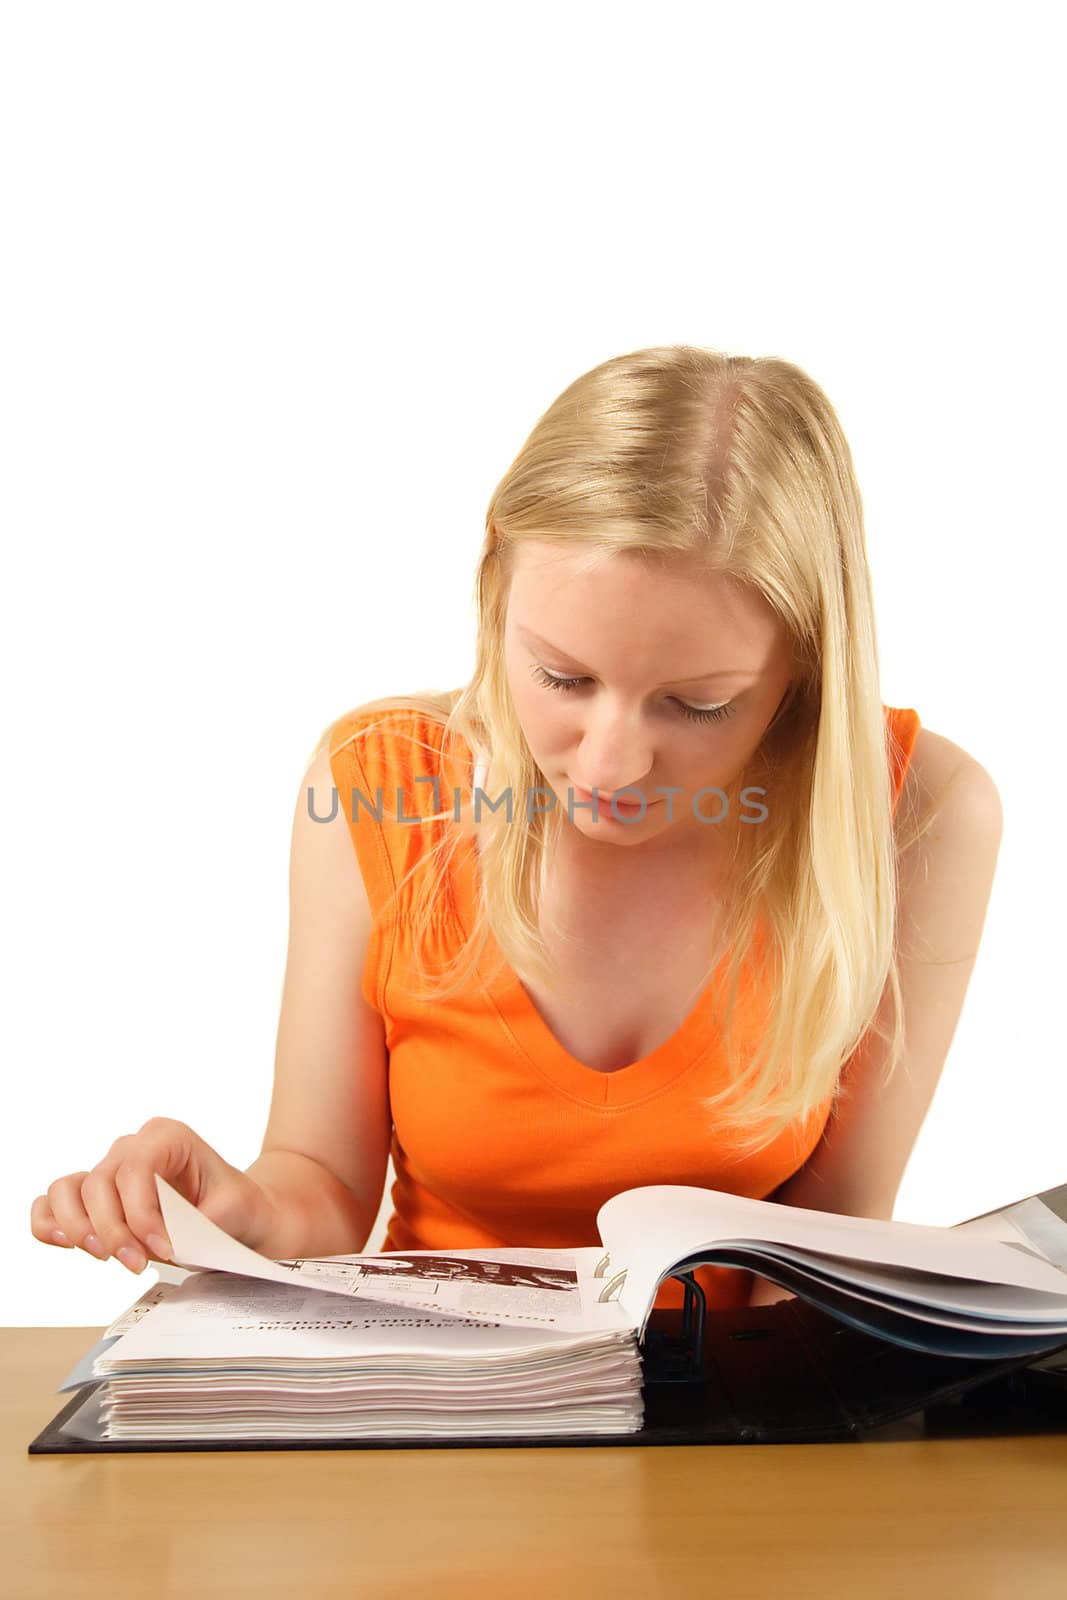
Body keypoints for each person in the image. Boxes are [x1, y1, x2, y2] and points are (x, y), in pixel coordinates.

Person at [30, 344, 1003, 1320]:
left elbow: (827, 1245)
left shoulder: (917, 818)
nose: (609, 763)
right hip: (434, 1407)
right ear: (495, 575)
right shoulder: (380, 785)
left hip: (727, 1422)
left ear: (806, 663)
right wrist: (231, 1208)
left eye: (696, 705)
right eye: (562, 678)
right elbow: (320, 1186)